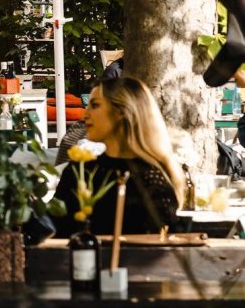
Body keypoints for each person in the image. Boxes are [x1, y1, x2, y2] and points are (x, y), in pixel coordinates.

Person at [51, 77, 182, 235]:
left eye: (95, 105)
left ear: (121, 111)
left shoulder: (151, 179)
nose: (86, 114)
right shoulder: (79, 170)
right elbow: (52, 228)